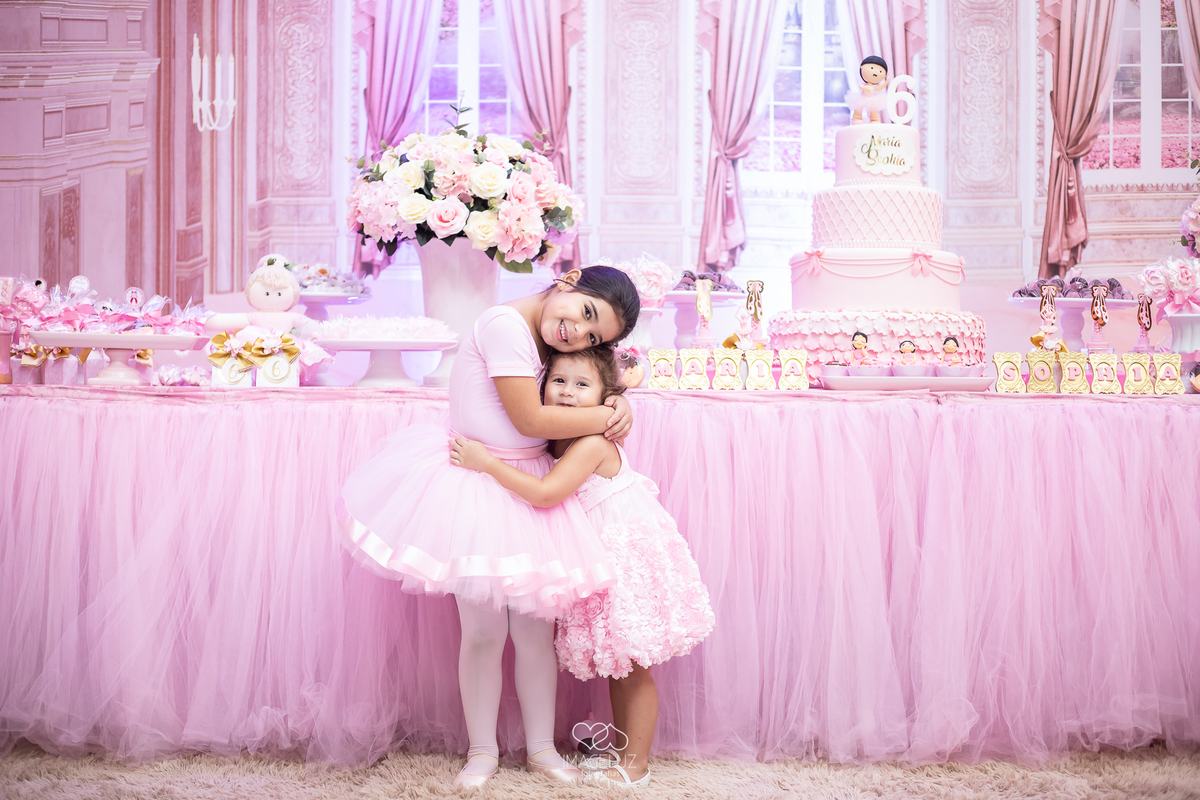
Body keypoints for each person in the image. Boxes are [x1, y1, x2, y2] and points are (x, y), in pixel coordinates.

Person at [337, 266, 641, 788]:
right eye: (586, 313)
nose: (578, 333)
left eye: (593, 337)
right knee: (482, 631)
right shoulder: (505, 325)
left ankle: (541, 749)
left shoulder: (552, 335)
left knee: (535, 632)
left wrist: (618, 398)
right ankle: (482, 752)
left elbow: (596, 380)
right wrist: (609, 418)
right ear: (569, 280)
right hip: (478, 481)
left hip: (531, 487)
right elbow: (531, 422)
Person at [450, 346, 715, 788]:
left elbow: (546, 493)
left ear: (605, 397)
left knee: (633, 667)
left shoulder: (592, 441)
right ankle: (626, 754)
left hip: (624, 562)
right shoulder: (556, 437)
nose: (568, 393)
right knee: (619, 664)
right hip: (600, 560)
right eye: (559, 381)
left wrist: (488, 464)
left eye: (582, 384)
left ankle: (636, 765)